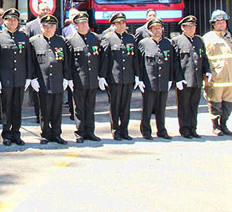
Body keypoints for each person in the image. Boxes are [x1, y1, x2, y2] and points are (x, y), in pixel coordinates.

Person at [0, 8, 32, 146]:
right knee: (6, 108)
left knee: (17, 108)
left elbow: (28, 58)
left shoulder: (23, 36)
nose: (12, 22)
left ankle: (16, 134)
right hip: (5, 79)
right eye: (9, 19)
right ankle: (6, 135)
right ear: (5, 21)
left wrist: (28, 77)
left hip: (20, 78)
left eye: (15, 20)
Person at [136, 18, 182, 140]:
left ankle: (161, 130)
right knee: (147, 107)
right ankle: (146, 131)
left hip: (163, 80)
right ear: (150, 30)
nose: (157, 31)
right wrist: (139, 79)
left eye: (159, 28)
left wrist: (170, 79)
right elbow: (139, 62)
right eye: (155, 28)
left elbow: (172, 62)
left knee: (161, 108)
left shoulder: (168, 43)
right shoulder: (144, 43)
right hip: (149, 81)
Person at [29, 14, 70, 145]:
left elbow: (66, 62)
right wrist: (32, 78)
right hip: (42, 81)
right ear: (41, 27)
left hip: (58, 80)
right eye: (46, 26)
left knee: (57, 110)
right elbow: (31, 62)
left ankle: (57, 134)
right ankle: (45, 134)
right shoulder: (34, 41)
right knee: (44, 110)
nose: (48, 29)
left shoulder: (61, 41)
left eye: (51, 26)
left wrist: (66, 78)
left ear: (55, 27)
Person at [100, 12, 140, 141]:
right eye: (118, 23)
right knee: (115, 105)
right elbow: (105, 59)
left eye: (123, 23)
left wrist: (137, 75)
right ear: (113, 25)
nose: (121, 25)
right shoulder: (108, 38)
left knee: (126, 105)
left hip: (128, 77)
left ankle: (124, 130)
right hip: (114, 78)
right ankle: (115, 130)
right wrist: (102, 76)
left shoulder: (131, 38)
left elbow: (135, 59)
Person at [65, 12, 102, 143]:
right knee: (79, 107)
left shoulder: (95, 38)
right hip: (78, 79)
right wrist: (68, 78)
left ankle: (90, 131)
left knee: (91, 106)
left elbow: (99, 59)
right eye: (80, 23)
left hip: (92, 78)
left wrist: (100, 76)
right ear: (76, 25)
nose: (84, 25)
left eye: (85, 22)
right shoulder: (71, 40)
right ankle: (80, 132)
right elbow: (68, 61)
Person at [171, 15, 210, 139]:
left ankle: (193, 128)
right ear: (183, 28)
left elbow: (203, 58)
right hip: (184, 79)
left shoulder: (199, 40)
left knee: (194, 105)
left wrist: (207, 71)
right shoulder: (177, 41)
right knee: (184, 106)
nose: (192, 29)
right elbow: (175, 62)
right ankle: (185, 129)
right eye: (189, 27)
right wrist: (178, 78)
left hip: (197, 79)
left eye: (193, 26)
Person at [202, 9, 232, 136]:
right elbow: (204, 58)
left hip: (230, 79)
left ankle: (224, 124)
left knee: (228, 104)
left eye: (223, 22)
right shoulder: (208, 38)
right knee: (215, 104)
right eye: (218, 23)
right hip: (216, 77)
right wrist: (205, 75)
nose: (221, 25)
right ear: (213, 24)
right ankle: (216, 126)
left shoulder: (230, 37)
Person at [25, 2, 52, 123]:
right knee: (38, 93)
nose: (45, 11)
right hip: (36, 63)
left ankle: (50, 116)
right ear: (37, 11)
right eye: (43, 9)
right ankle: (39, 116)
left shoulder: (53, 23)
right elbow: (28, 46)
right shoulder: (30, 25)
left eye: (47, 9)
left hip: (50, 62)